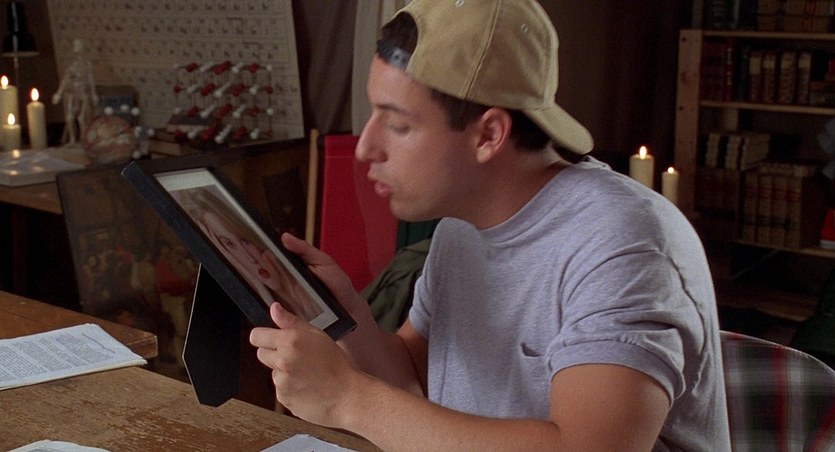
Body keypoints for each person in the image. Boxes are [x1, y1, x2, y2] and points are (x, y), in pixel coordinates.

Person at [249, 1, 732, 450]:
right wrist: (344, 314)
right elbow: (415, 380)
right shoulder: (460, 228)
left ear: (489, 134)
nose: (365, 148)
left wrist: (349, 401)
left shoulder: (623, 240)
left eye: (397, 125)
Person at [172, 187, 324, 321]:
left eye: (244, 241)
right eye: (229, 245)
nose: (251, 259)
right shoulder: (257, 315)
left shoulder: (311, 297)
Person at [52, 38, 99, 145]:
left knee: (81, 118)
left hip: (83, 94)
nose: (76, 49)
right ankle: (72, 139)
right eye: (75, 46)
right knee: (69, 117)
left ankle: (83, 139)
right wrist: (59, 94)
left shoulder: (87, 65)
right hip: (73, 94)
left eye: (78, 46)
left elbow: (91, 80)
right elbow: (65, 80)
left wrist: (93, 94)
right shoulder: (72, 65)